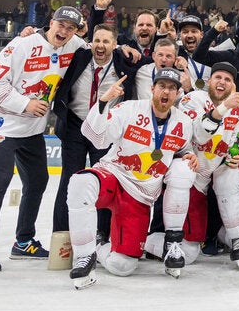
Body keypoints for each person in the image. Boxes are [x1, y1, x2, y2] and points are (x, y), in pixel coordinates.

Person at [0, 6, 86, 272]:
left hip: (32, 129)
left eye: (70, 28)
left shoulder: (74, 45)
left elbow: (98, 47)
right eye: (61, 25)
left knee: (37, 181)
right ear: (51, 23)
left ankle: (23, 241)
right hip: (4, 125)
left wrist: (128, 50)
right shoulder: (22, 44)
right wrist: (25, 104)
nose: (64, 31)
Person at [66, 68, 199, 288]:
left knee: (123, 266)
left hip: (140, 196)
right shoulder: (128, 109)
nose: (166, 92)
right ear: (152, 88)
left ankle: (101, 245)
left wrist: (188, 155)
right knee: (80, 183)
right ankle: (84, 255)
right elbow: (97, 138)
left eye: (171, 88)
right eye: (162, 86)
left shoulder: (183, 122)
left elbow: (180, 148)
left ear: (176, 94)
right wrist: (102, 103)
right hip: (114, 176)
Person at [51, 23, 137, 234]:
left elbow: (151, 55)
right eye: (97, 40)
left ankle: (102, 235)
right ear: (91, 42)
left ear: (115, 45)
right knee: (69, 181)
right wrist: (32, 31)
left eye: (106, 41)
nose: (100, 45)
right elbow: (56, 37)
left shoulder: (123, 61)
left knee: (104, 183)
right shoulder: (79, 56)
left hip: (105, 130)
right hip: (75, 126)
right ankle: (61, 234)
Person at [171, 62, 239, 268]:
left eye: (228, 80)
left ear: (233, 86)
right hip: (189, 171)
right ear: (209, 81)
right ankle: (153, 243)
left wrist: (238, 154)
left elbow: (238, 140)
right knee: (189, 252)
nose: (222, 82)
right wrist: (223, 108)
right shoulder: (192, 99)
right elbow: (200, 134)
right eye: (218, 77)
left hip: (214, 169)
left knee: (232, 174)